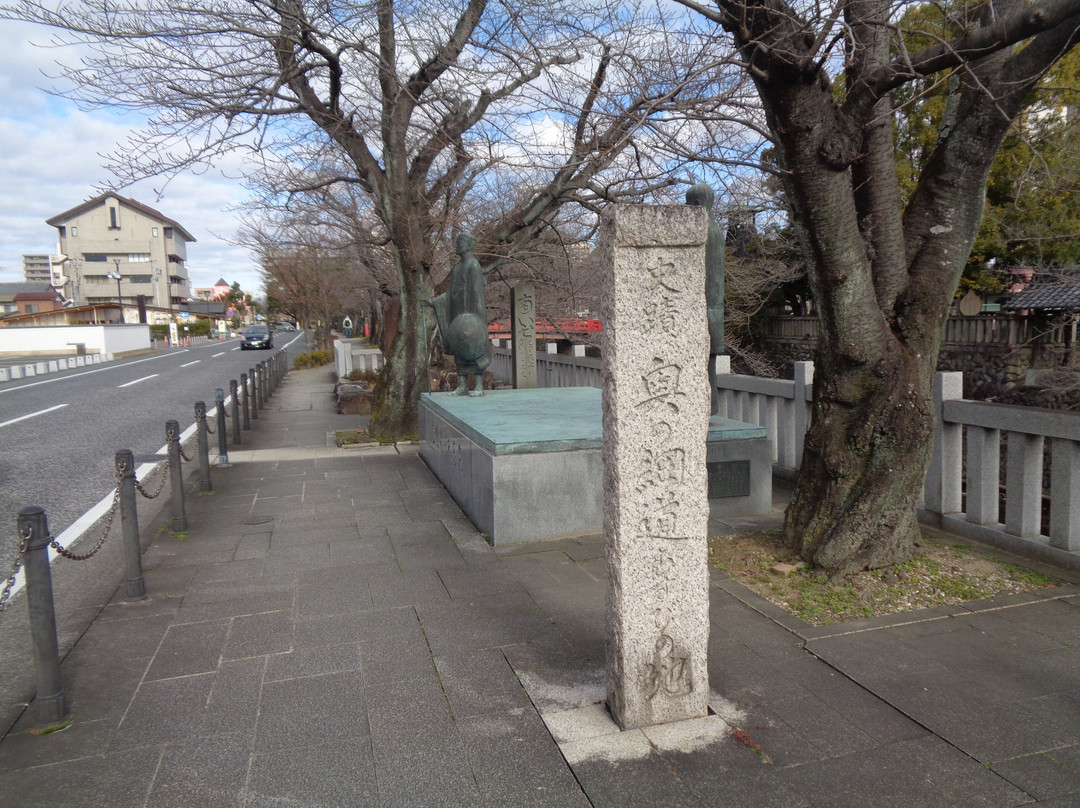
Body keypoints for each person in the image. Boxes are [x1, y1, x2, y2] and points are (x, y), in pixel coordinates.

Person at [423, 232, 491, 396]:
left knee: (473, 345)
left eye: (460, 242)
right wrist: (434, 301)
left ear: (468, 245)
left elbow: (478, 293)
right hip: (458, 312)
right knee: (459, 346)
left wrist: (478, 320)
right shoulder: (457, 267)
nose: (457, 245)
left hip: (472, 313)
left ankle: (479, 385)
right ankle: (462, 385)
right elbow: (450, 293)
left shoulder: (473, 265)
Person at [685, 183, 725, 415]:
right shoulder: (715, 229)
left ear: (698, 205)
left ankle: (708, 410)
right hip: (710, 310)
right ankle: (709, 408)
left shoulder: (704, 231)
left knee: (704, 368)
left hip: (705, 310)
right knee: (705, 368)